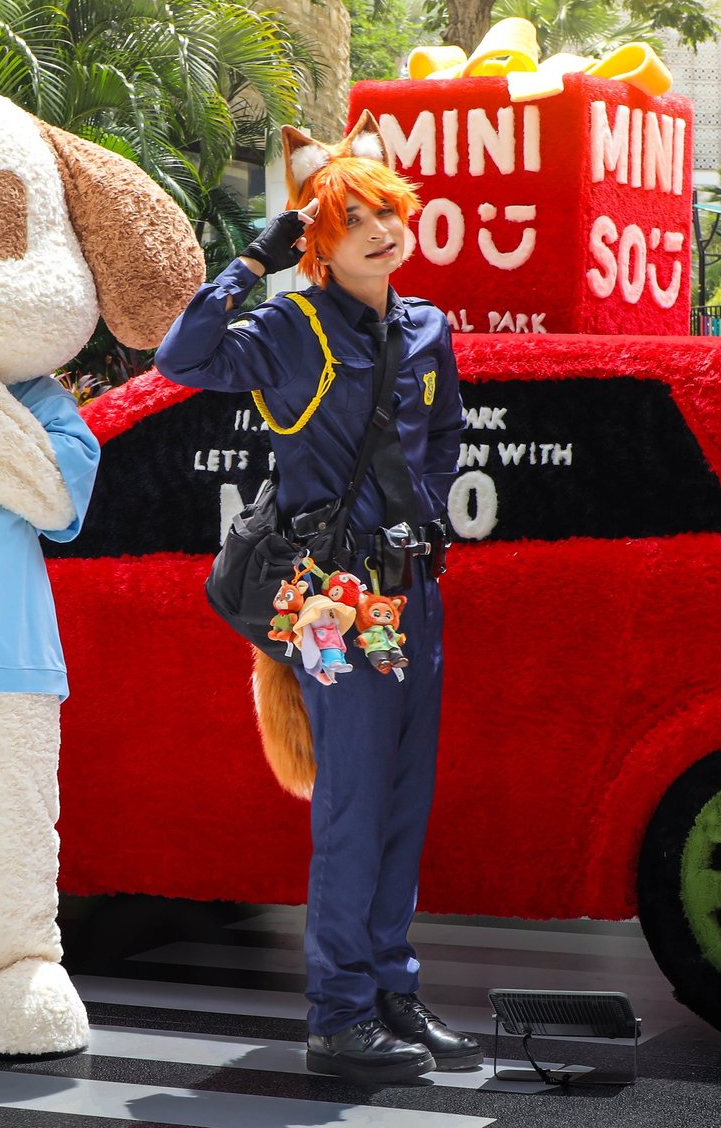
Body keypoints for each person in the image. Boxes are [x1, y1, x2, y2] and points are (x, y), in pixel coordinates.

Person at [154, 134, 472, 1084]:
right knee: (351, 803)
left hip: (414, 591)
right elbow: (182, 355)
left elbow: (445, 432)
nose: (381, 231)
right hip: (332, 603)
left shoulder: (427, 328)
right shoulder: (291, 328)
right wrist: (256, 254)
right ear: (318, 245)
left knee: (404, 803)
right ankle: (338, 1015)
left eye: (389, 214)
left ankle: (388, 990)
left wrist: (422, 522)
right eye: (353, 220)